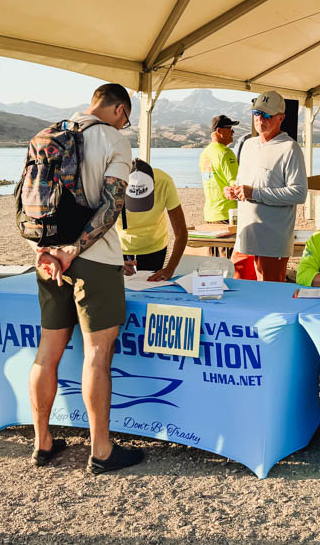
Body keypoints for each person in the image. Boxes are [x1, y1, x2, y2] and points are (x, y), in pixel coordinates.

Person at [29, 83, 144, 474]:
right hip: (93, 258)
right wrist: (76, 249)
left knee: (48, 353)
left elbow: (29, 201)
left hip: (47, 258)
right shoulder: (114, 140)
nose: (125, 124)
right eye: (126, 118)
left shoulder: (48, 135)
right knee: (98, 355)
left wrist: (46, 251)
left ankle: (43, 442)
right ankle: (101, 450)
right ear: (118, 108)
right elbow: (111, 206)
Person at [225, 91, 307, 282]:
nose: (261, 119)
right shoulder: (248, 145)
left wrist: (255, 193)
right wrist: (234, 189)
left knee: (269, 299)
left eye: (268, 115)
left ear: (281, 118)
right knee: (238, 294)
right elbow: (244, 182)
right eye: (257, 113)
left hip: (272, 244)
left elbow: (299, 193)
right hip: (243, 240)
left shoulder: (290, 148)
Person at [118, 159, 188, 279]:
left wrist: (170, 269)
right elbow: (100, 230)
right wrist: (113, 261)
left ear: (154, 184)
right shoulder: (114, 184)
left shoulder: (165, 182)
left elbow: (181, 231)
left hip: (154, 246)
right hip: (120, 247)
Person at [199, 115, 240, 223]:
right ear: (219, 131)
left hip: (210, 214)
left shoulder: (205, 153)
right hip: (228, 214)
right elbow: (236, 184)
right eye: (230, 129)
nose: (233, 132)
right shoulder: (225, 153)